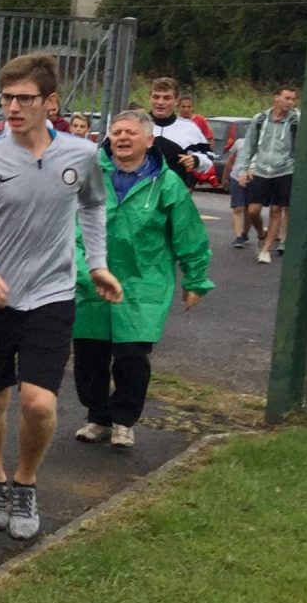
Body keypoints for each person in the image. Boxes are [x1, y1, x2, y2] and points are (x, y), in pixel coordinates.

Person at [0, 52, 122, 542]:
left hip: (52, 295)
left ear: (50, 102)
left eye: (24, 98)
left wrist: (96, 263)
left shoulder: (80, 155)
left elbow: (94, 208)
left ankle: (26, 482)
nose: (13, 107)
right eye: (6, 97)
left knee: (38, 403)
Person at [73, 110, 213, 448]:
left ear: (149, 140)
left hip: (142, 283)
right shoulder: (89, 176)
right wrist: (81, 269)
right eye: (117, 132)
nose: (122, 138)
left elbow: (188, 234)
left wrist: (195, 280)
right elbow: (68, 228)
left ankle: (123, 420)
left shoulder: (167, 184)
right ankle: (97, 416)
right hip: (91, 278)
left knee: (131, 355)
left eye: (130, 132)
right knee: (90, 354)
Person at [234, 86, 300, 265]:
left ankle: (265, 250)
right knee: (253, 210)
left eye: (293, 99)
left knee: (276, 210)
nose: (290, 102)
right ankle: (261, 234)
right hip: (262, 169)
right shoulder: (260, 119)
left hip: (284, 169)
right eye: (287, 98)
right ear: (276, 97)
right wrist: (243, 169)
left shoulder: (295, 120)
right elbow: (249, 146)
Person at [148, 77, 212, 181]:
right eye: (156, 97)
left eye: (166, 98)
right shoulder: (135, 124)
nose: (160, 102)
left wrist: (196, 160)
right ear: (150, 98)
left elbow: (208, 157)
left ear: (176, 101)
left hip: (173, 191)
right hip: (141, 191)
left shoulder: (189, 128)